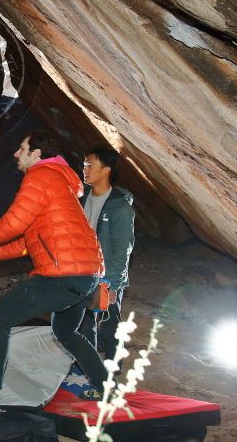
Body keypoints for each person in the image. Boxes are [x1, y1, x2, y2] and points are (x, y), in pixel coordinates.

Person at [0, 130, 108, 402]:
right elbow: (24, 244)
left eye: (21, 148)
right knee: (66, 331)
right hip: (87, 274)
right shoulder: (59, 182)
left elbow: (12, 224)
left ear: (36, 154)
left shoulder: (41, 175)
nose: (16, 154)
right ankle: (105, 386)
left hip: (63, 274)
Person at [79, 145, 135, 361]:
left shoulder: (119, 208)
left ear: (106, 170)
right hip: (84, 272)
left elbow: (123, 249)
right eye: (84, 165)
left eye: (89, 165)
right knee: (85, 322)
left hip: (107, 275)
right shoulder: (82, 199)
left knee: (110, 324)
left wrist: (111, 283)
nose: (84, 169)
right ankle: (89, 365)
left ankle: (112, 370)